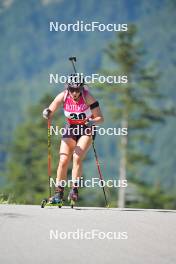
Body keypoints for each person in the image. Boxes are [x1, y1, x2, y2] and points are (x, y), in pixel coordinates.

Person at [42, 74, 104, 204]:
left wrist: (92, 122)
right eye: (72, 89)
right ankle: (58, 194)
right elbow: (51, 109)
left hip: (86, 129)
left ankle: (74, 190)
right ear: (68, 88)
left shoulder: (88, 97)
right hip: (71, 128)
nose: (74, 93)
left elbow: (100, 118)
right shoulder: (63, 96)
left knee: (77, 157)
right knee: (63, 159)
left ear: (82, 88)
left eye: (77, 89)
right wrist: (47, 113)